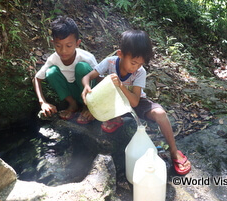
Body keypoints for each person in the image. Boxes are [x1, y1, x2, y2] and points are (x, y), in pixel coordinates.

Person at [81, 30, 191, 175]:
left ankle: (174, 150)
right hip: (116, 101)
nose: (136, 67)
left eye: (140, 64)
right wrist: (87, 87)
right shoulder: (110, 62)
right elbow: (88, 76)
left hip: (136, 101)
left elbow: (134, 102)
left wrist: (121, 85)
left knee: (161, 114)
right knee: (102, 95)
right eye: (133, 63)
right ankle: (116, 118)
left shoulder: (140, 72)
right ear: (120, 54)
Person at [33, 16, 96, 124]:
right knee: (50, 72)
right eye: (58, 46)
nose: (63, 50)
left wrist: (97, 105)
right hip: (73, 92)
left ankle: (88, 107)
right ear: (53, 43)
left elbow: (100, 79)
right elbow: (36, 78)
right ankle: (73, 104)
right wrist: (43, 102)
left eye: (69, 45)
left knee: (82, 67)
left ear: (77, 43)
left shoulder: (87, 57)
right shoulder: (53, 59)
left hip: (89, 92)